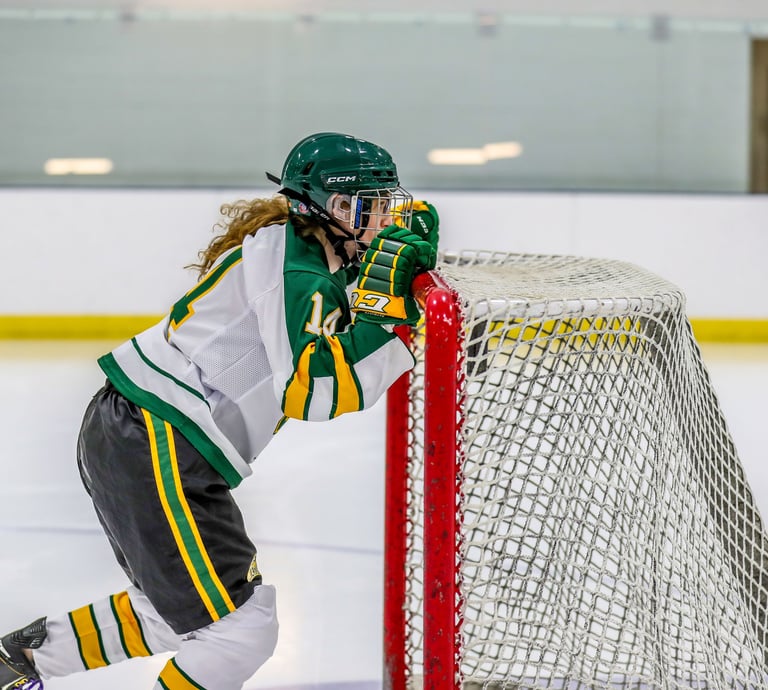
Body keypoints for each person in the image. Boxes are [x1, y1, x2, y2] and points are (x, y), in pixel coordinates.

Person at [0, 132, 439, 690]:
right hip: (156, 437)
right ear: (317, 208)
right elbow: (315, 391)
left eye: (383, 204)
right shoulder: (298, 271)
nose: (378, 220)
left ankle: (20, 660)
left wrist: (383, 289)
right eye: (362, 207)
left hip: (141, 431)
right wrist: (389, 314)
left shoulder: (299, 251)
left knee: (177, 612)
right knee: (240, 630)